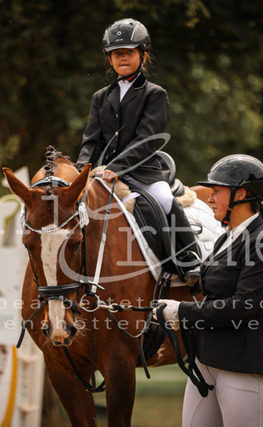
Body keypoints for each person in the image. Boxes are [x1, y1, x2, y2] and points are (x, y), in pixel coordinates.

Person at [154, 154, 263, 427]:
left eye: (217, 191)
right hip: (206, 361)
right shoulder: (226, 237)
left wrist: (180, 312)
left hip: (244, 365)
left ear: (240, 194)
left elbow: (240, 308)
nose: (210, 198)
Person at [76, 18, 199, 280]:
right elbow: (91, 140)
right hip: (105, 174)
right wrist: (81, 170)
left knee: (164, 199)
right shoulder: (100, 97)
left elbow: (147, 139)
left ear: (143, 55)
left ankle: (189, 259)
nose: (123, 58)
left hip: (143, 171)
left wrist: (117, 167)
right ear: (109, 59)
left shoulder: (155, 94)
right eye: (116, 53)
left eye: (129, 52)